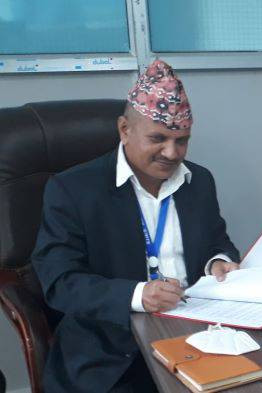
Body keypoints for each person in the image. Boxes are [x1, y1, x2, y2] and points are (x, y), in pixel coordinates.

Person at [32, 60, 240, 392]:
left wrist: (218, 261)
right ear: (124, 129)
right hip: (113, 353)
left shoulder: (199, 180)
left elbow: (217, 241)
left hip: (198, 337)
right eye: (158, 138)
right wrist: (138, 295)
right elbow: (60, 282)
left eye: (182, 140)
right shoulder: (72, 189)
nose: (171, 153)